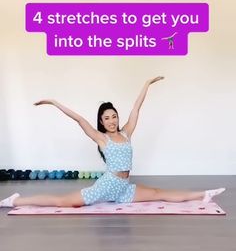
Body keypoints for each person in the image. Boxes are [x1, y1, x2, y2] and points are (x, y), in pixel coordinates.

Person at [0, 77, 225, 208]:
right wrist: (54, 102)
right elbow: (79, 119)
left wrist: (147, 83)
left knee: (158, 192)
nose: (111, 120)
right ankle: (15, 201)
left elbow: (137, 108)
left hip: (124, 188)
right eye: (106, 118)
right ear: (101, 121)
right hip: (107, 186)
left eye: (114, 116)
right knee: (63, 202)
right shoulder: (102, 138)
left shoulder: (126, 132)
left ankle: (202, 194)